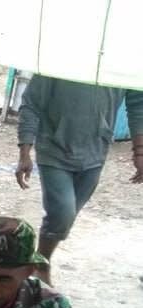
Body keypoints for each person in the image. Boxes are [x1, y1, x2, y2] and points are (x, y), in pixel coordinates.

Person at [15, 76, 143, 283]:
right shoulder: (56, 62)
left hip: (95, 151)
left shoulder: (118, 66)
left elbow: (138, 106)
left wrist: (139, 151)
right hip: (53, 148)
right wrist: (25, 152)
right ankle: (42, 264)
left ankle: (40, 257)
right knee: (62, 214)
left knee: (65, 218)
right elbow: (31, 103)